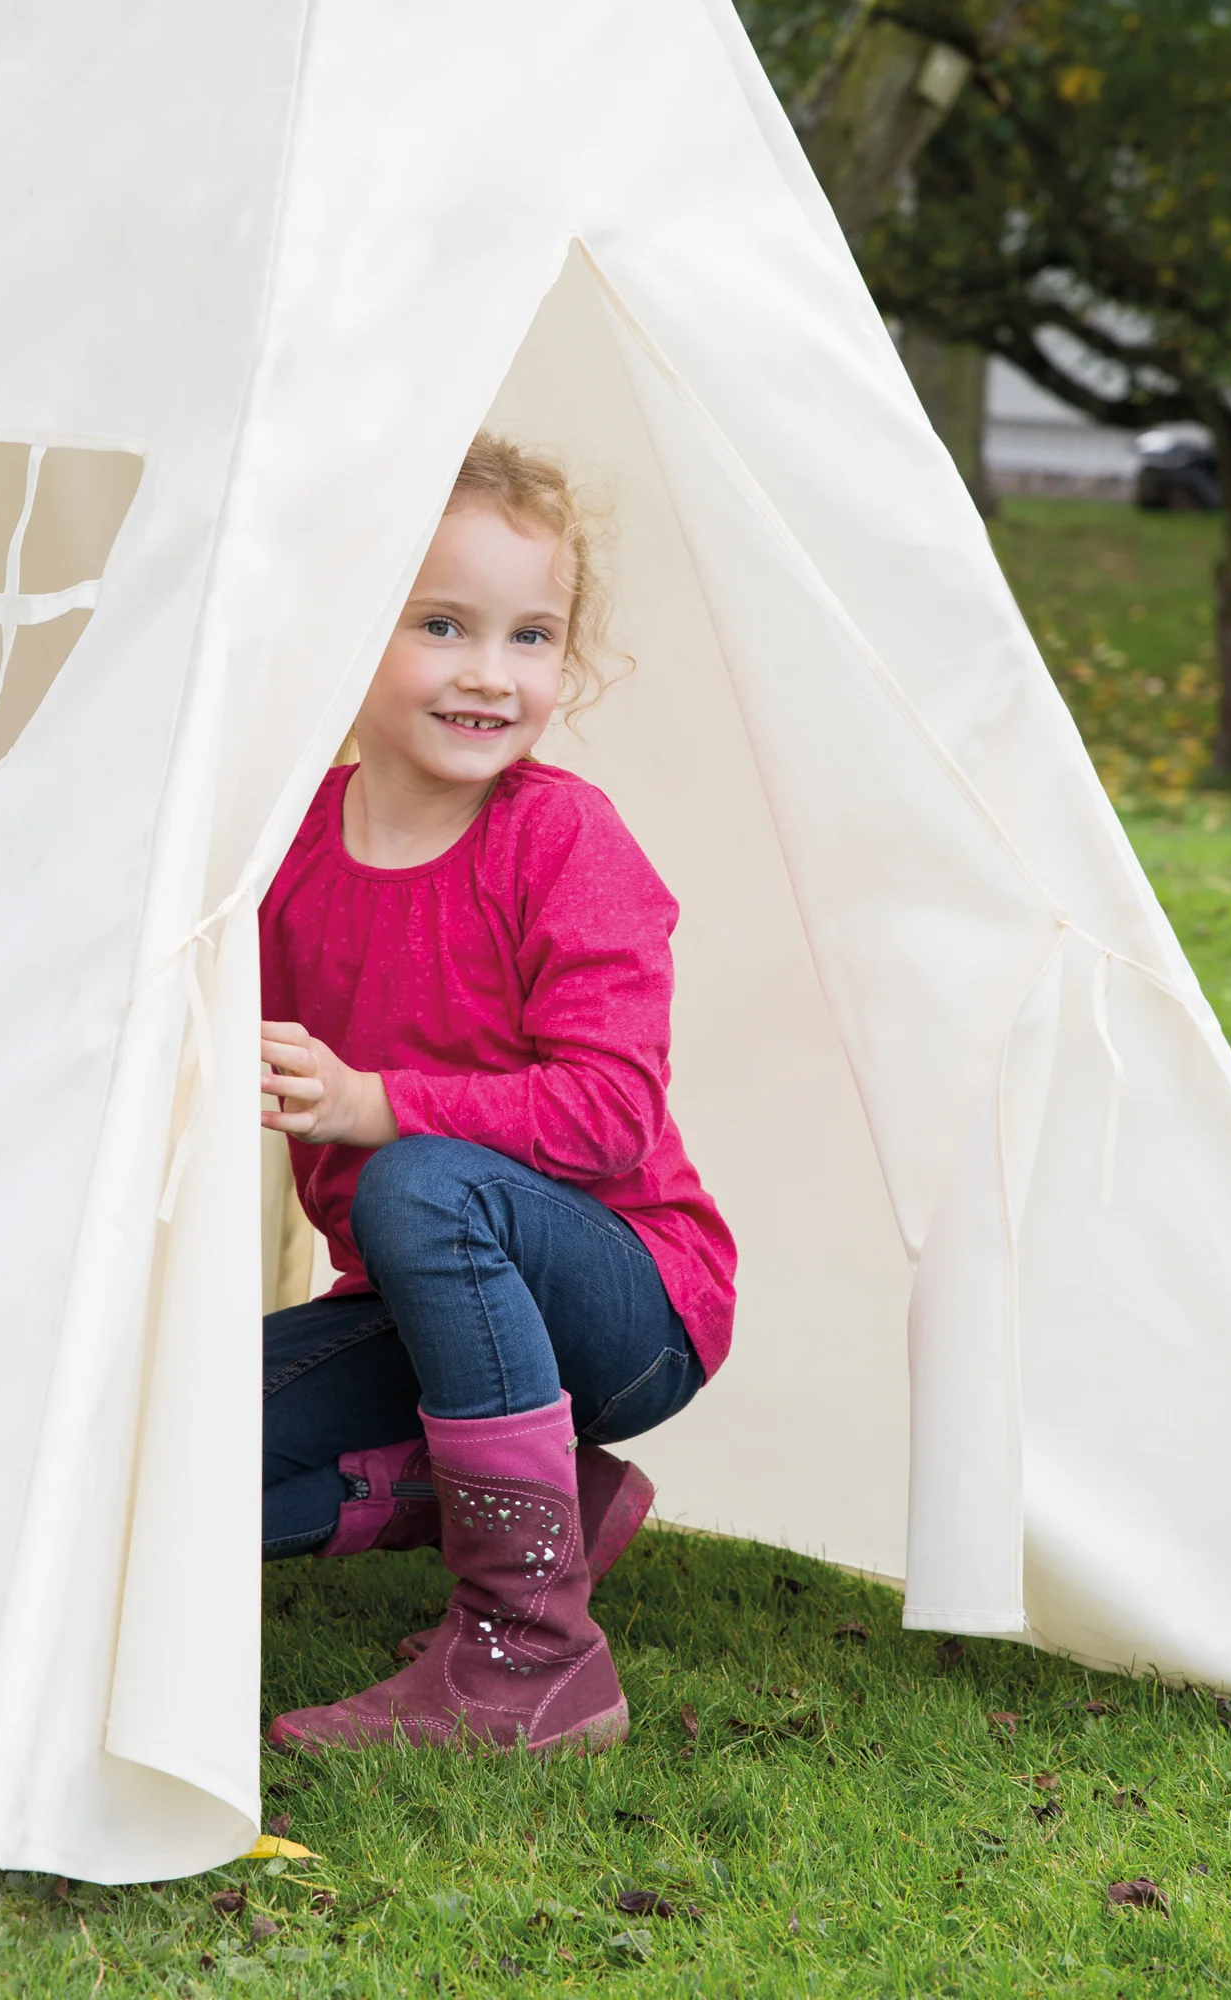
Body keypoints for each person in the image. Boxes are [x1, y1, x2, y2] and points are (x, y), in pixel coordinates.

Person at [256, 433, 737, 1754]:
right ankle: (552, 1505)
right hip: (418, 1307)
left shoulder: (560, 840)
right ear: (343, 633)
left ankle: (530, 1652)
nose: (490, 672)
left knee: (419, 1177)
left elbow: (608, 1116)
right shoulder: (284, 848)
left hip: (629, 1298)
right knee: (186, 1467)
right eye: (443, 625)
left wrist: (373, 1105)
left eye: (532, 637)